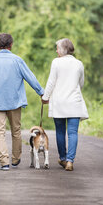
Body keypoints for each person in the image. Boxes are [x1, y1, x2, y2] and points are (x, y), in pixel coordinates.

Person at [0, 33, 44, 171]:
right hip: (14, 101)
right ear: (11, 45)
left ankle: (4, 162)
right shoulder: (17, 60)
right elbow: (30, 77)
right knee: (15, 130)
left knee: (0, 132)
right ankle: (16, 159)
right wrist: (41, 91)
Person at [41, 38, 89, 171]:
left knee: (60, 132)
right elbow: (81, 83)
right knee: (73, 133)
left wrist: (45, 97)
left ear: (62, 50)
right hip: (74, 102)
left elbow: (51, 82)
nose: (56, 51)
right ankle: (70, 161)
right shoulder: (79, 64)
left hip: (59, 102)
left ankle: (62, 158)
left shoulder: (56, 62)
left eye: (57, 48)